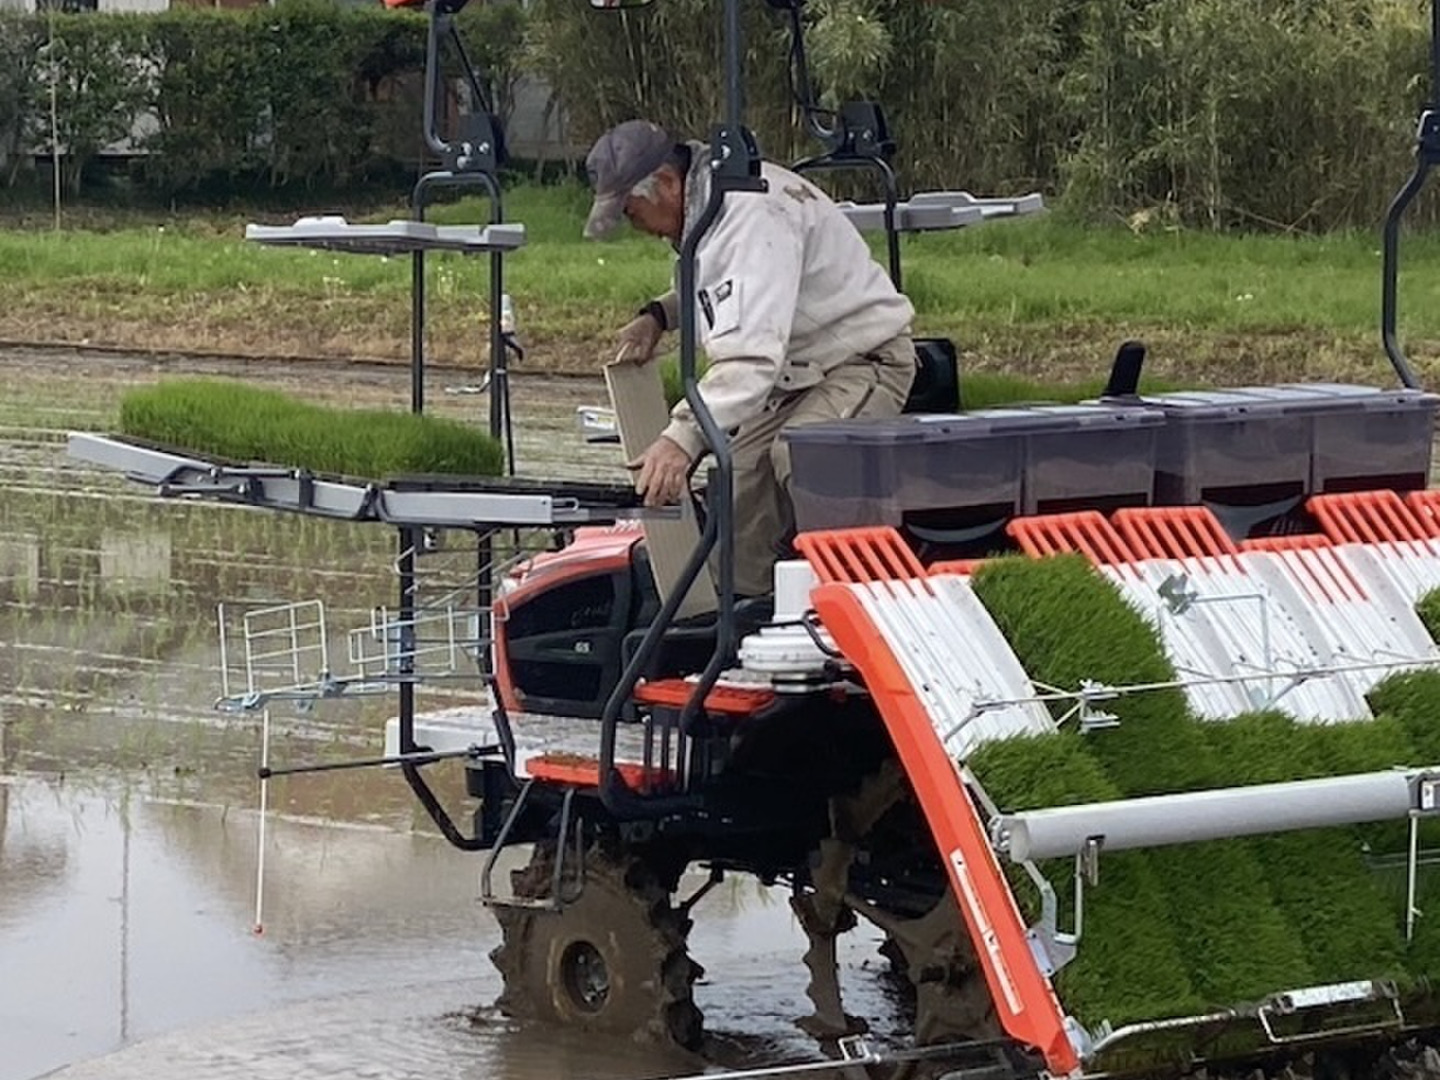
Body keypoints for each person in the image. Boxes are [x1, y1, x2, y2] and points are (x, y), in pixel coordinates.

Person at [584, 119, 917, 597]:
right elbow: (726, 286)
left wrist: (681, 438)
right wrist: (658, 315)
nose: (639, 229)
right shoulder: (712, 206)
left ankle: (849, 598)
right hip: (799, 373)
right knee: (738, 480)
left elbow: (749, 361)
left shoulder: (751, 217)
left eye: (633, 213)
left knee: (803, 456)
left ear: (667, 182)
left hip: (863, 361)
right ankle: (742, 612)